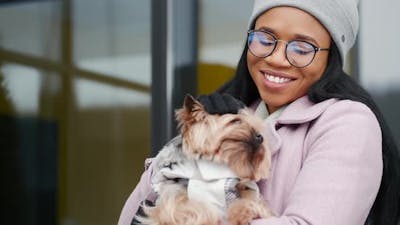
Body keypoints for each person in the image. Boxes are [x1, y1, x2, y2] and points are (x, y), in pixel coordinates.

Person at [118, 0, 400, 224]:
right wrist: (190, 142)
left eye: (302, 48)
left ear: (331, 59)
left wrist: (191, 211)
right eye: (265, 40)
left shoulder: (348, 124)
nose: (277, 58)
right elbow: (133, 215)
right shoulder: (233, 116)